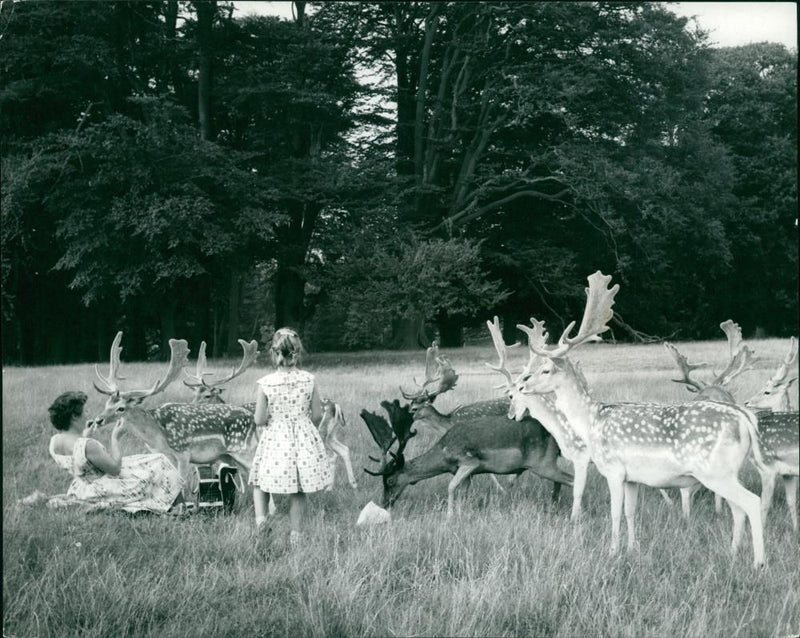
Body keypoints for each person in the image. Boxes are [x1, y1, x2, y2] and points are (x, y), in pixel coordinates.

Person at [249, 328, 331, 547]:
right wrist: (302, 426)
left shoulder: (266, 383)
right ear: (297, 352)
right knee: (298, 489)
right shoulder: (309, 380)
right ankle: (296, 537)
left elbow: (258, 419)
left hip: (275, 436)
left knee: (260, 482)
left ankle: (261, 523)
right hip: (303, 437)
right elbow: (316, 414)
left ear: (275, 352)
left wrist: (275, 423)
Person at [47, 390, 185, 514]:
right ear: (74, 417)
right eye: (85, 411)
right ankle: (177, 506)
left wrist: (84, 435)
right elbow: (115, 469)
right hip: (103, 489)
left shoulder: (54, 442)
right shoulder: (89, 445)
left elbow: (79, 457)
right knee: (160, 461)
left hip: (81, 487)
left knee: (149, 460)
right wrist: (115, 438)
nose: (88, 414)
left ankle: (173, 502)